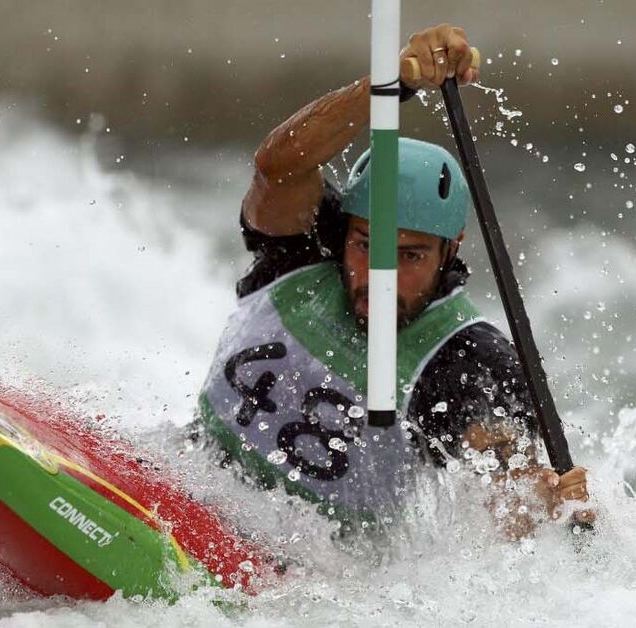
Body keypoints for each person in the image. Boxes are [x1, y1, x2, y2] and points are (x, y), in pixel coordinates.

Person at [195, 24, 593, 538]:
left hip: (306, 562)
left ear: (451, 249)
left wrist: (544, 506)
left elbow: (509, 504)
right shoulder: (308, 248)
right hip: (189, 483)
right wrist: (388, 85)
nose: (380, 275)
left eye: (409, 255)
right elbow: (278, 166)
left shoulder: (467, 360)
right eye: (367, 245)